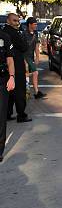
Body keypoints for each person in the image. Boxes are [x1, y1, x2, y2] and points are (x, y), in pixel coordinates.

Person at [3, 13, 31, 124]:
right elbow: (24, 47)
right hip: (16, 64)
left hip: (6, 65)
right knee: (19, 90)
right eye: (14, 21)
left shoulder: (4, 31)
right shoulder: (13, 33)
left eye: (18, 21)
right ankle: (21, 115)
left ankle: (7, 113)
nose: (17, 23)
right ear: (8, 21)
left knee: (8, 91)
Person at [0, 28, 16, 162]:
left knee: (1, 114)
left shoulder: (4, 37)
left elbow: (10, 60)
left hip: (2, 79)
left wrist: (11, 77)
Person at [23, 18, 46, 100]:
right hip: (24, 56)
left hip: (31, 56)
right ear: (29, 24)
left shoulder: (35, 33)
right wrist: (24, 60)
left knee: (30, 73)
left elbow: (36, 46)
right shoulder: (24, 33)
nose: (36, 26)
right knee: (35, 72)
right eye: (35, 24)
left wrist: (37, 57)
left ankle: (32, 92)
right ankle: (34, 92)